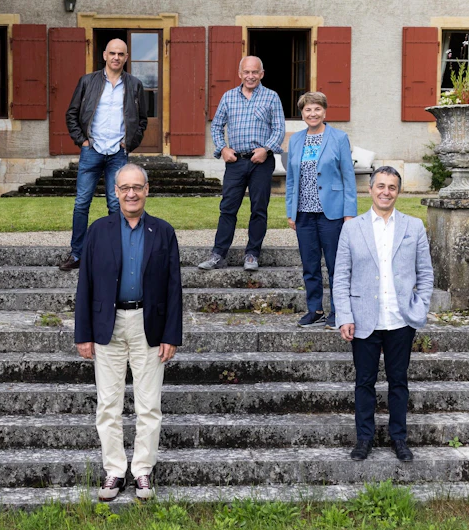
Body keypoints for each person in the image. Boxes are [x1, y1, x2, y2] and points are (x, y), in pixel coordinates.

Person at [74, 163, 182, 502]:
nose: (131, 193)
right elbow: (85, 283)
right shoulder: (99, 230)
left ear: (147, 190)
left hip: (148, 326)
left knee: (149, 405)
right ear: (115, 191)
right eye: (124, 188)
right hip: (108, 325)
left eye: (137, 187)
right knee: (109, 403)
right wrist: (83, 333)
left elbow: (174, 287)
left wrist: (171, 334)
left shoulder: (163, 232)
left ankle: (143, 471)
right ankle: (114, 470)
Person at [332, 167, 434, 463]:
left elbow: (425, 274)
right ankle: (364, 439)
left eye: (392, 187)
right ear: (370, 190)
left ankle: (399, 438)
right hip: (364, 319)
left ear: (398, 192)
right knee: (364, 382)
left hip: (401, 319)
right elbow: (341, 276)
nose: (386, 191)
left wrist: (420, 305)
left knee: (398, 382)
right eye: (380, 186)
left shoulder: (413, 227)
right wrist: (345, 315)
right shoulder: (353, 228)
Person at [58, 39, 148, 272]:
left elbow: (142, 121)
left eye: (121, 54)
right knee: (81, 203)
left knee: (116, 204)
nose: (116, 57)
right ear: (105, 56)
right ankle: (77, 254)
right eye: (112, 53)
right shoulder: (88, 81)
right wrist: (83, 141)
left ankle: (116, 253)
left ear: (126, 57)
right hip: (92, 151)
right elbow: (72, 114)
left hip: (117, 153)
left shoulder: (135, 85)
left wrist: (128, 144)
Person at [198, 56, 285, 272]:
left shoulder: (271, 97)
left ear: (261, 74)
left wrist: (266, 149)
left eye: (255, 72)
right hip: (236, 161)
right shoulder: (228, 97)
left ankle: (252, 255)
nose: (251, 76)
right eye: (246, 72)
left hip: (261, 162)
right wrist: (223, 148)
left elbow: (279, 129)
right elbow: (217, 126)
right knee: (227, 208)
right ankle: (218, 255)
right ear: (240, 74)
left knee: (259, 209)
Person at [283, 91, 358, 329]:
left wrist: (350, 212)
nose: (312, 113)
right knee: (310, 265)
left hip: (332, 213)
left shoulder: (338, 137)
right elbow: (292, 179)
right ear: (302, 113)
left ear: (324, 112)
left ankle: (338, 312)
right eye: (307, 110)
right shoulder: (295, 140)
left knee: (337, 265)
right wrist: (290, 211)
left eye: (317, 109)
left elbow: (348, 177)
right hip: (304, 213)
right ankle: (314, 310)